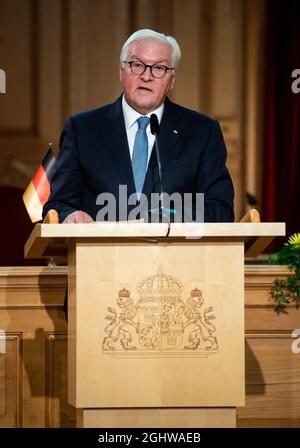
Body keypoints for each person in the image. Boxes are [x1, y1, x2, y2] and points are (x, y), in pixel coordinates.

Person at [43, 29, 234, 224]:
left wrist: (163, 219)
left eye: (159, 68)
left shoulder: (203, 132)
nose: (146, 76)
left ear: (172, 80)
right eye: (137, 65)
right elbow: (58, 206)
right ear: (121, 71)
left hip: (174, 252)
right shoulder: (81, 130)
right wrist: (70, 216)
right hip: (103, 253)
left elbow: (220, 209)